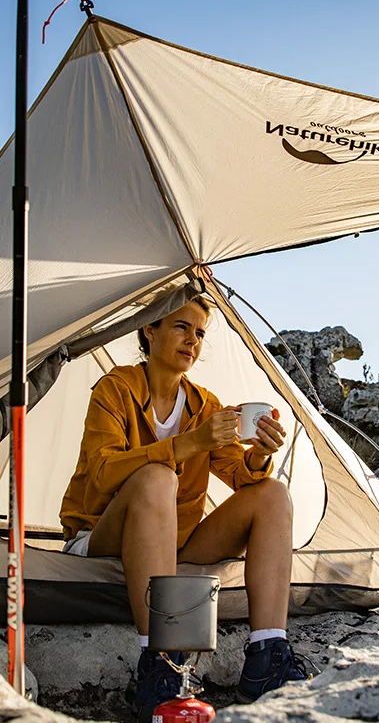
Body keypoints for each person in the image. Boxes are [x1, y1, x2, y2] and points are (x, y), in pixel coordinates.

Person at [59, 296, 312, 720]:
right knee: (158, 477)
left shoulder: (205, 405)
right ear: (149, 330)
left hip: (177, 545)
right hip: (102, 537)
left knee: (272, 494)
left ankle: (267, 656)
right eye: (181, 327)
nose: (192, 341)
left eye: (199, 333)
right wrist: (191, 443)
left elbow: (242, 477)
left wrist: (259, 454)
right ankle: (161, 664)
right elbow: (102, 474)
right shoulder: (115, 389)